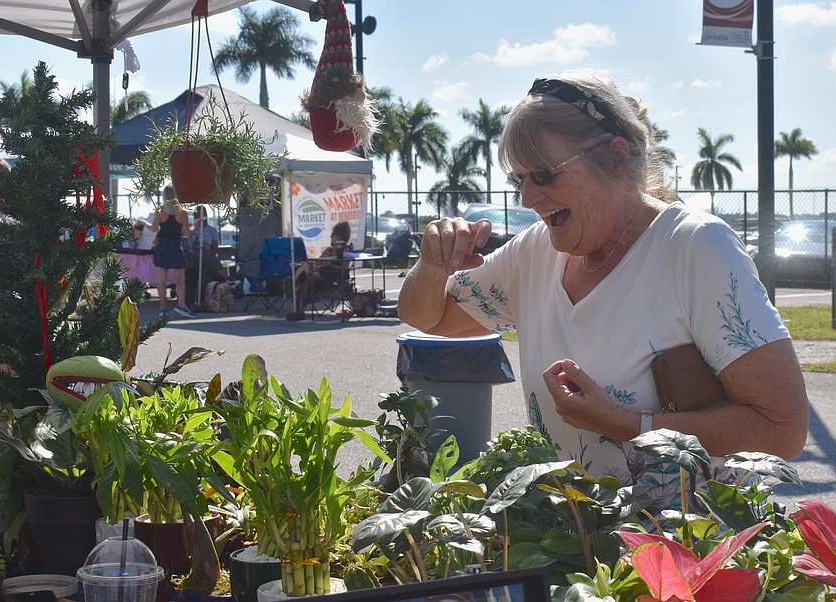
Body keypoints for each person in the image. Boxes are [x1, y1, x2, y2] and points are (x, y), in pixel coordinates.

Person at [397, 71, 809, 510]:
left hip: (689, 557)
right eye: (519, 178)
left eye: (542, 174)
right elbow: (428, 317)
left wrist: (630, 424)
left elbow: (782, 429)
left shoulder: (693, 246)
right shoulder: (535, 251)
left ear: (615, 158)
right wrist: (432, 263)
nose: (527, 198)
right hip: (576, 547)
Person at [147, 186, 195, 319]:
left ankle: (163, 309)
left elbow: (154, 228)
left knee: (161, 280)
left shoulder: (160, 211)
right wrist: (194, 225)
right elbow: (187, 233)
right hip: (175, 245)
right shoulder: (183, 213)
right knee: (180, 280)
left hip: (162, 245)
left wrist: (143, 223)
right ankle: (181, 305)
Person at [292, 221, 352, 314]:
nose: (330, 237)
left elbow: (344, 269)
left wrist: (331, 264)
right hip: (318, 273)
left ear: (338, 237)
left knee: (307, 276)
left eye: (332, 235)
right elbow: (316, 262)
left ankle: (294, 284)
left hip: (331, 276)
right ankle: (299, 304)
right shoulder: (328, 250)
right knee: (307, 275)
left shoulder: (346, 251)